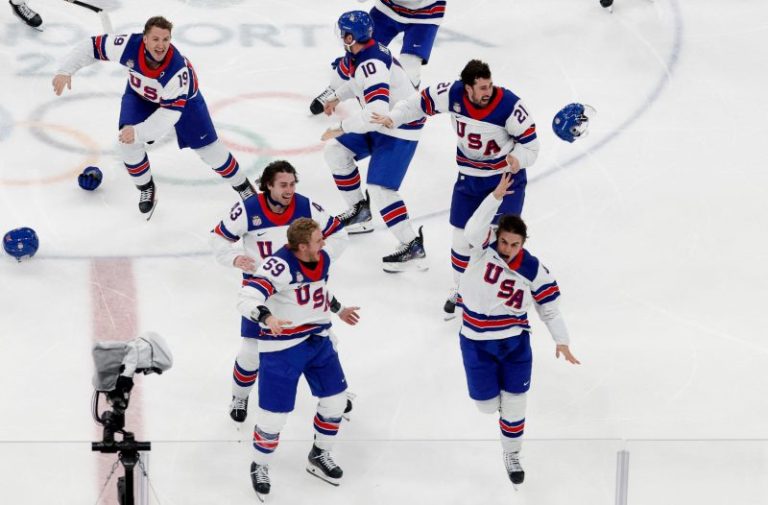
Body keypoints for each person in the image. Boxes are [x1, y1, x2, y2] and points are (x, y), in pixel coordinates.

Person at [371, 59, 540, 313]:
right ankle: (461, 290)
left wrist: (518, 159)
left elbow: (532, 146)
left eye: (489, 85)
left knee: (498, 240)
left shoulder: (509, 105)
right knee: (460, 240)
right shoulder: (451, 93)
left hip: (504, 180)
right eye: (482, 88)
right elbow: (416, 105)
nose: (488, 92)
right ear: (467, 88)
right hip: (469, 179)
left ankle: (499, 291)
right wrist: (393, 118)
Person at [51, 16, 255, 218]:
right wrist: (65, 70)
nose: (161, 45)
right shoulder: (128, 45)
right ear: (145, 39)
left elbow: (169, 116)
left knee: (210, 151)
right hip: (140, 95)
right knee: (127, 143)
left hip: (185, 104)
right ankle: (146, 187)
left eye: (166, 39)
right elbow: (91, 46)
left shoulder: (177, 71)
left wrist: (139, 132)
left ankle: (243, 186)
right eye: (156, 39)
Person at [457, 172, 580, 485]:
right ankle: (502, 415)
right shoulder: (482, 249)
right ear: (497, 237)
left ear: (524, 243)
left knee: (515, 404)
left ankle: (512, 453)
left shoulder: (534, 269)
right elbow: (472, 227)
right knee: (486, 407)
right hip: (475, 341)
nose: (508, 248)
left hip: (514, 343)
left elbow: (549, 308)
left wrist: (562, 341)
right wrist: (495, 197)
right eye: (505, 241)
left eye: (515, 244)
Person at [209, 160, 348, 424]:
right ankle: (240, 396)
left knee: (324, 339)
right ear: (268, 185)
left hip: (300, 293)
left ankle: (335, 392)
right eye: (283, 185)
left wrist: (319, 261)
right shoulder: (248, 209)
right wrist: (234, 257)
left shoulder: (306, 206)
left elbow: (339, 234)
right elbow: (218, 237)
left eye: (293, 184)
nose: (289, 190)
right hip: (262, 293)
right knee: (251, 353)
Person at [237, 217, 360, 498]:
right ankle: (260, 464)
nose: (324, 243)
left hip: (319, 340)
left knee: (336, 401)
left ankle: (319, 455)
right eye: (319, 240)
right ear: (302, 246)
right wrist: (266, 317)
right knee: (273, 418)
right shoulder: (277, 267)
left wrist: (339, 309)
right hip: (282, 347)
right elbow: (245, 297)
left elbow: (319, 290)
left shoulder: (321, 258)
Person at [320, 10, 427, 273]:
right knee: (336, 152)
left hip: (401, 126)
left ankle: (412, 244)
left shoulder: (372, 64)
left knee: (381, 188)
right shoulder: (362, 52)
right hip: (385, 121)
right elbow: (359, 84)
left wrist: (340, 127)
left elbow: (374, 114)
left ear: (349, 36)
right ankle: (359, 211)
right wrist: (338, 96)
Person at [310, 0, 447, 113]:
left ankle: (406, 107)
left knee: (410, 69)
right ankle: (333, 89)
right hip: (389, 8)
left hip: (427, 13)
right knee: (358, 48)